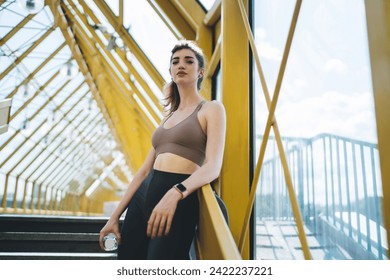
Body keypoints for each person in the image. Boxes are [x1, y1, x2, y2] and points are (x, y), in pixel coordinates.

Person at [99, 40, 226, 260]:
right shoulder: (167, 118)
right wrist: (114, 217)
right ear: (170, 71)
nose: (181, 65)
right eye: (175, 61)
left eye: (189, 61)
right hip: (143, 196)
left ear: (200, 72)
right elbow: (144, 172)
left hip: (177, 195)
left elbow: (213, 166)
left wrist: (176, 192)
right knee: (129, 261)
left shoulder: (211, 108)